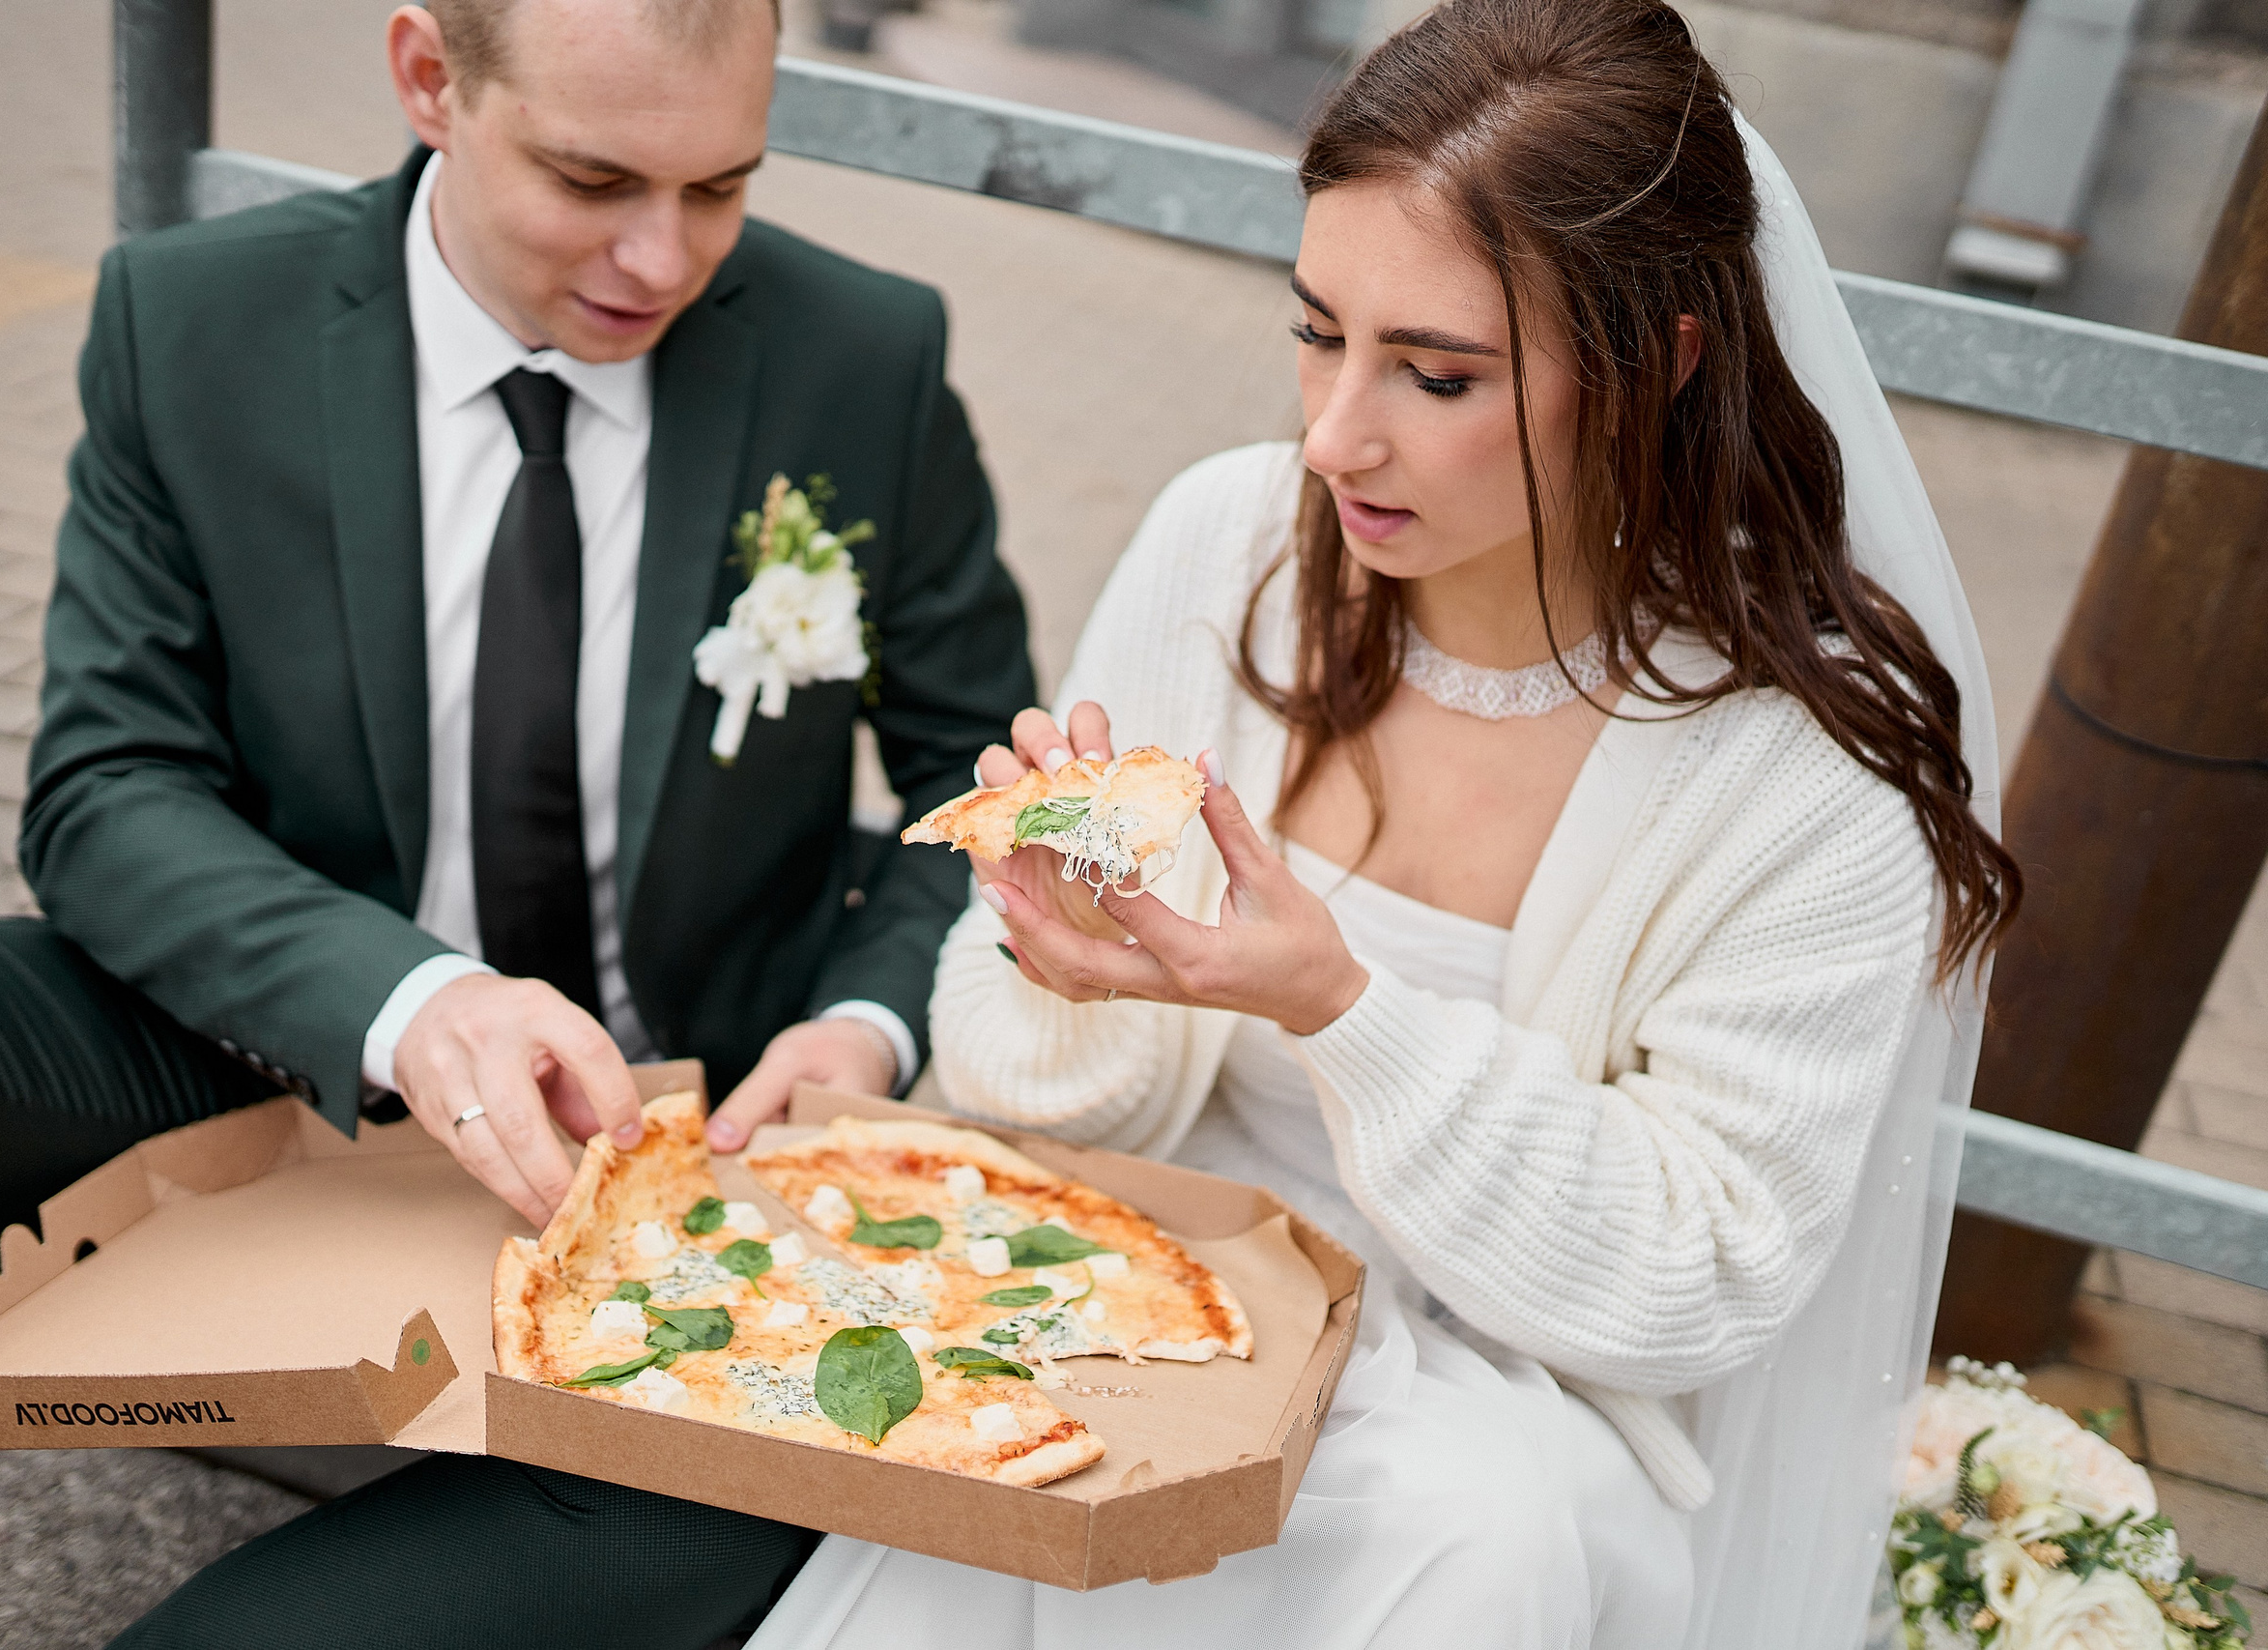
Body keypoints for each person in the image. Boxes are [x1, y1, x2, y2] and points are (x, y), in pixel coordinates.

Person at [733, 4, 2018, 1648]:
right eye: (1316, 331)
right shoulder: (1224, 542)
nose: (1338, 434)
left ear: (1657, 365)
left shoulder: (1798, 779)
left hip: (1501, 1409)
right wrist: (1077, 976)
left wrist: (1339, 1010)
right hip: (1120, 1292)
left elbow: (1702, 1275)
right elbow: (1008, 1078)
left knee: (1483, 1537)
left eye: (1436, 373)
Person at [0, 0, 1033, 1642]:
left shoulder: (860, 356)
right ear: (429, 80)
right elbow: (106, 790)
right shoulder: (192, 321)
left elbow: (981, 789)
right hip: (264, 1075)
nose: (664, 260)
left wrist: (867, 1027)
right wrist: (409, 1004)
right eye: (594, 181)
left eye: (721, 187)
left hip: (700, 1167)